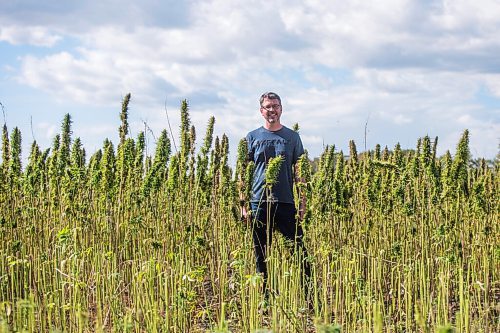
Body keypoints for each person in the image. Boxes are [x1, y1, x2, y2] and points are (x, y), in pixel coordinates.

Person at [243, 91, 311, 299]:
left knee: (299, 250)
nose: (272, 110)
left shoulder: (292, 137)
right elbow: (244, 172)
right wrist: (243, 205)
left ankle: (309, 296)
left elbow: (300, 172)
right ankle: (265, 298)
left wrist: (302, 203)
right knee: (260, 254)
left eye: (275, 106)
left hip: (285, 203)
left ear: (281, 109)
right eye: (268, 106)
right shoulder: (252, 137)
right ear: (261, 111)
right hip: (258, 203)